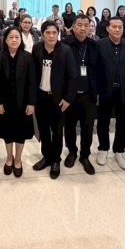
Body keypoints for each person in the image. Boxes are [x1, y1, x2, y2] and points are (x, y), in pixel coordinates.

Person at [31, 21, 78, 179]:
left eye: (54, 33)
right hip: (41, 97)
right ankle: (47, 156)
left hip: (58, 99)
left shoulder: (65, 50)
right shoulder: (37, 48)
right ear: (42, 34)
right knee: (43, 130)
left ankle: (56, 160)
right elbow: (33, 74)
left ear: (58, 34)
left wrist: (68, 99)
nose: (51, 36)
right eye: (48, 33)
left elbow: (73, 76)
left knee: (57, 131)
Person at [0, 26, 36, 178]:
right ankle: (9, 158)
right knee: (7, 132)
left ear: (21, 39)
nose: (14, 40)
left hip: (23, 103)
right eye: (11, 37)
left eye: (17, 37)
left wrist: (31, 103)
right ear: (5, 40)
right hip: (5, 103)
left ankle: (18, 159)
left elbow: (32, 82)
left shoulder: (28, 57)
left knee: (20, 132)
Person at [97, 16, 125, 170]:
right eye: (114, 27)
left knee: (123, 122)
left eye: (120, 27)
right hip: (104, 90)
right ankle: (103, 148)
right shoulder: (99, 45)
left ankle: (119, 150)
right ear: (107, 28)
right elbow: (95, 70)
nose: (117, 29)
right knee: (103, 121)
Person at [63, 15, 100, 175]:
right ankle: (72, 151)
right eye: (79, 25)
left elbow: (99, 71)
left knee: (87, 127)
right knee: (69, 125)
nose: (83, 28)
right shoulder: (64, 44)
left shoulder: (95, 46)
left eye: (86, 25)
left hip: (88, 94)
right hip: (69, 95)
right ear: (73, 27)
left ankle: (85, 155)